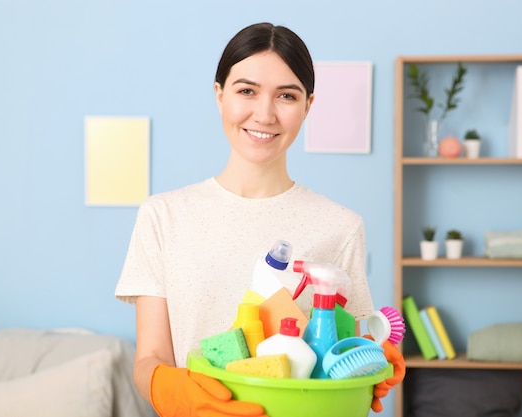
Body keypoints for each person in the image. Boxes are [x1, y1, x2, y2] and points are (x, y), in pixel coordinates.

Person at [115, 22, 403, 417]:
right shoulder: (163, 216)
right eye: (246, 91)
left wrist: (374, 361)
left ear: (308, 105)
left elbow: (341, 359)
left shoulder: (342, 227)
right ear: (220, 95)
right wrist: (171, 390)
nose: (264, 114)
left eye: (286, 95)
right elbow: (149, 358)